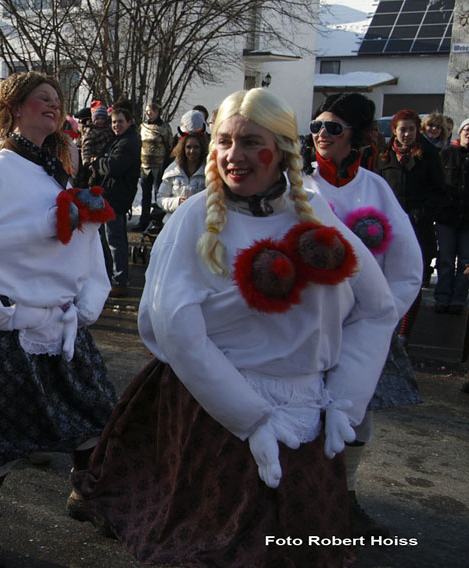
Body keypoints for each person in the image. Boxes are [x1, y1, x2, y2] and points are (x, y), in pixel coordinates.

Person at [72, 87, 398, 567]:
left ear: (282, 149)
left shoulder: (313, 212)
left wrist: (345, 402)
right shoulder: (193, 218)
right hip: (216, 418)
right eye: (224, 141)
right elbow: (175, 329)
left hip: (307, 417)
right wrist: (251, 417)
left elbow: (377, 308)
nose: (233, 156)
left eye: (250, 142)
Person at [0, 71, 118, 568]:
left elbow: (85, 242)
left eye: (57, 99)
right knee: (1, 434)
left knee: (92, 412)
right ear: (14, 108)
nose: (53, 105)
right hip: (10, 323)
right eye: (42, 99)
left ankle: (84, 493)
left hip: (61, 320)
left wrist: (88, 301)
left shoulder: (55, 172)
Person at [302, 92, 423, 537]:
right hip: (307, 326)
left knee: (357, 411)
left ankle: (347, 498)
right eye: (316, 126)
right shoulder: (298, 185)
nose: (322, 135)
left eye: (332, 127)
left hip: (362, 327)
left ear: (355, 135)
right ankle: (298, 496)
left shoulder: (376, 189)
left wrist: (381, 317)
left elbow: (407, 267)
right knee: (300, 408)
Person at [376, 109, 445, 330]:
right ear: (394, 131)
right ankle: (386, 330)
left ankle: (405, 334)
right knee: (385, 282)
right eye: (402, 130)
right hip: (388, 228)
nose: (407, 134)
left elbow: (439, 191)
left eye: (411, 130)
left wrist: (422, 213)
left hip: (418, 227)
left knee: (411, 283)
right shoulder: (384, 156)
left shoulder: (427, 154)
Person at [93, 105, 140, 297]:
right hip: (110, 196)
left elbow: (113, 167)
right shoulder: (117, 139)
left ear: (129, 122)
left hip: (117, 197)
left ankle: (119, 280)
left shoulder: (128, 142)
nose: (116, 125)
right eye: (113, 122)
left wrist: (97, 162)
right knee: (107, 239)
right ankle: (111, 277)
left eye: (120, 121)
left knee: (115, 240)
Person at [436, 118, 469, 314]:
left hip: (468, 221)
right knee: (446, 260)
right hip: (447, 218)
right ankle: (442, 298)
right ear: (460, 132)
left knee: (466, 262)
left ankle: (458, 300)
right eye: (467, 129)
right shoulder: (446, 154)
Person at [134, 101, 172, 231]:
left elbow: (169, 145)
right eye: (146, 112)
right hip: (145, 165)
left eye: (150, 111)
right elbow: (138, 143)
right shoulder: (143, 127)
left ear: (156, 112)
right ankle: (143, 220)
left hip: (158, 165)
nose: (148, 114)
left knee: (158, 193)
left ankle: (158, 221)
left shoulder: (164, 127)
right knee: (145, 195)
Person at [155, 130, 208, 223]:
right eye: (188, 147)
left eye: (196, 147)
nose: (192, 151)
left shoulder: (208, 172)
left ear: (202, 149)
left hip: (199, 223)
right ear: (183, 148)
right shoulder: (172, 171)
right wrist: (177, 202)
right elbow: (160, 199)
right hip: (173, 222)